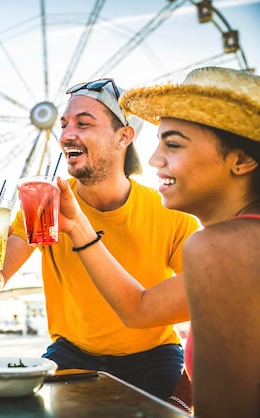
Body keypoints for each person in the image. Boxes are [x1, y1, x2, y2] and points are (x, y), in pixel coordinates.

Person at [0, 77, 200, 400]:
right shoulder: (44, 203)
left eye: (83, 124)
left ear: (123, 137)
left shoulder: (171, 213)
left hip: (153, 358)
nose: (67, 135)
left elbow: (207, 309)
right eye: (65, 124)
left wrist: (184, 395)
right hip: (71, 355)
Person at [55, 66, 259, 417]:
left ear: (241, 159)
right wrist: (78, 226)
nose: (153, 160)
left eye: (174, 144)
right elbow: (142, 309)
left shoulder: (219, 247)